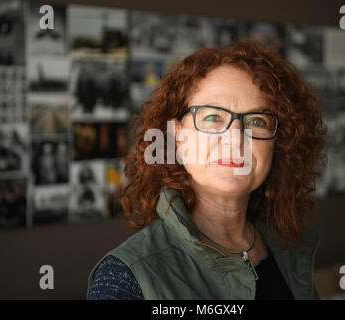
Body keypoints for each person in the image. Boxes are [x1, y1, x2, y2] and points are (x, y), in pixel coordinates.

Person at [87, 39, 327, 300]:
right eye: (213, 117)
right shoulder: (126, 278)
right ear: (177, 137)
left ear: (277, 144)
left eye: (257, 120)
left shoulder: (288, 248)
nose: (235, 138)